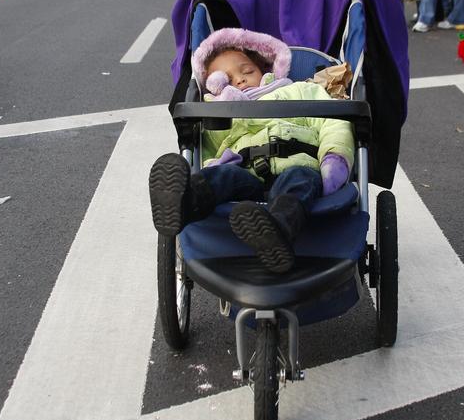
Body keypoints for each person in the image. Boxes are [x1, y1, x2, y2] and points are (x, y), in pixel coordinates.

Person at [149, 27, 355, 274]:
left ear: (265, 68)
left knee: (298, 181)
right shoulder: (217, 110)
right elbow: (208, 152)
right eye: (223, 79)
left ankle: (276, 231)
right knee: (223, 176)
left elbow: (333, 122)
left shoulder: (298, 91)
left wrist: (335, 157)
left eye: (247, 71)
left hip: (296, 165)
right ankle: (184, 202)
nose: (239, 79)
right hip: (245, 178)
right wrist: (217, 108)